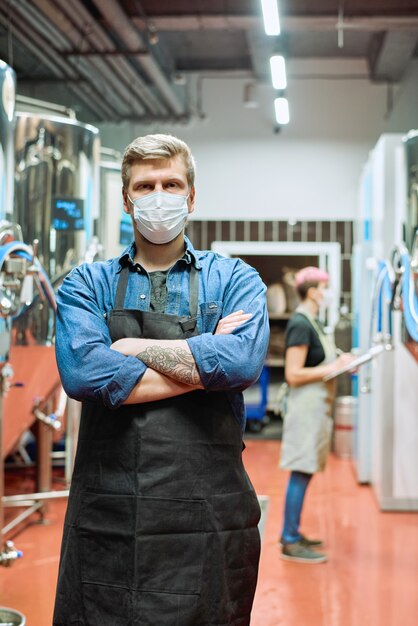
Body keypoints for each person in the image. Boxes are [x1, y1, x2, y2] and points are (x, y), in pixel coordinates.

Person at [52, 133, 269, 626]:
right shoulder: (87, 283)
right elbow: (84, 373)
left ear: (191, 196)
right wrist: (204, 359)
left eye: (171, 183)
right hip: (110, 520)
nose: (158, 196)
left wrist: (129, 349)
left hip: (209, 520)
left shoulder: (234, 279)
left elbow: (241, 365)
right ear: (127, 198)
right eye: (145, 186)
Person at [279, 266, 356, 563]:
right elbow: (294, 373)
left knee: (305, 470)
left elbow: (320, 359)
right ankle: (289, 540)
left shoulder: (313, 321)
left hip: (316, 408)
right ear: (311, 291)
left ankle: (294, 532)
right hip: (304, 408)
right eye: (324, 288)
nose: (326, 294)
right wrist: (333, 368)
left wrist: (345, 360)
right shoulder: (300, 323)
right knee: (300, 470)